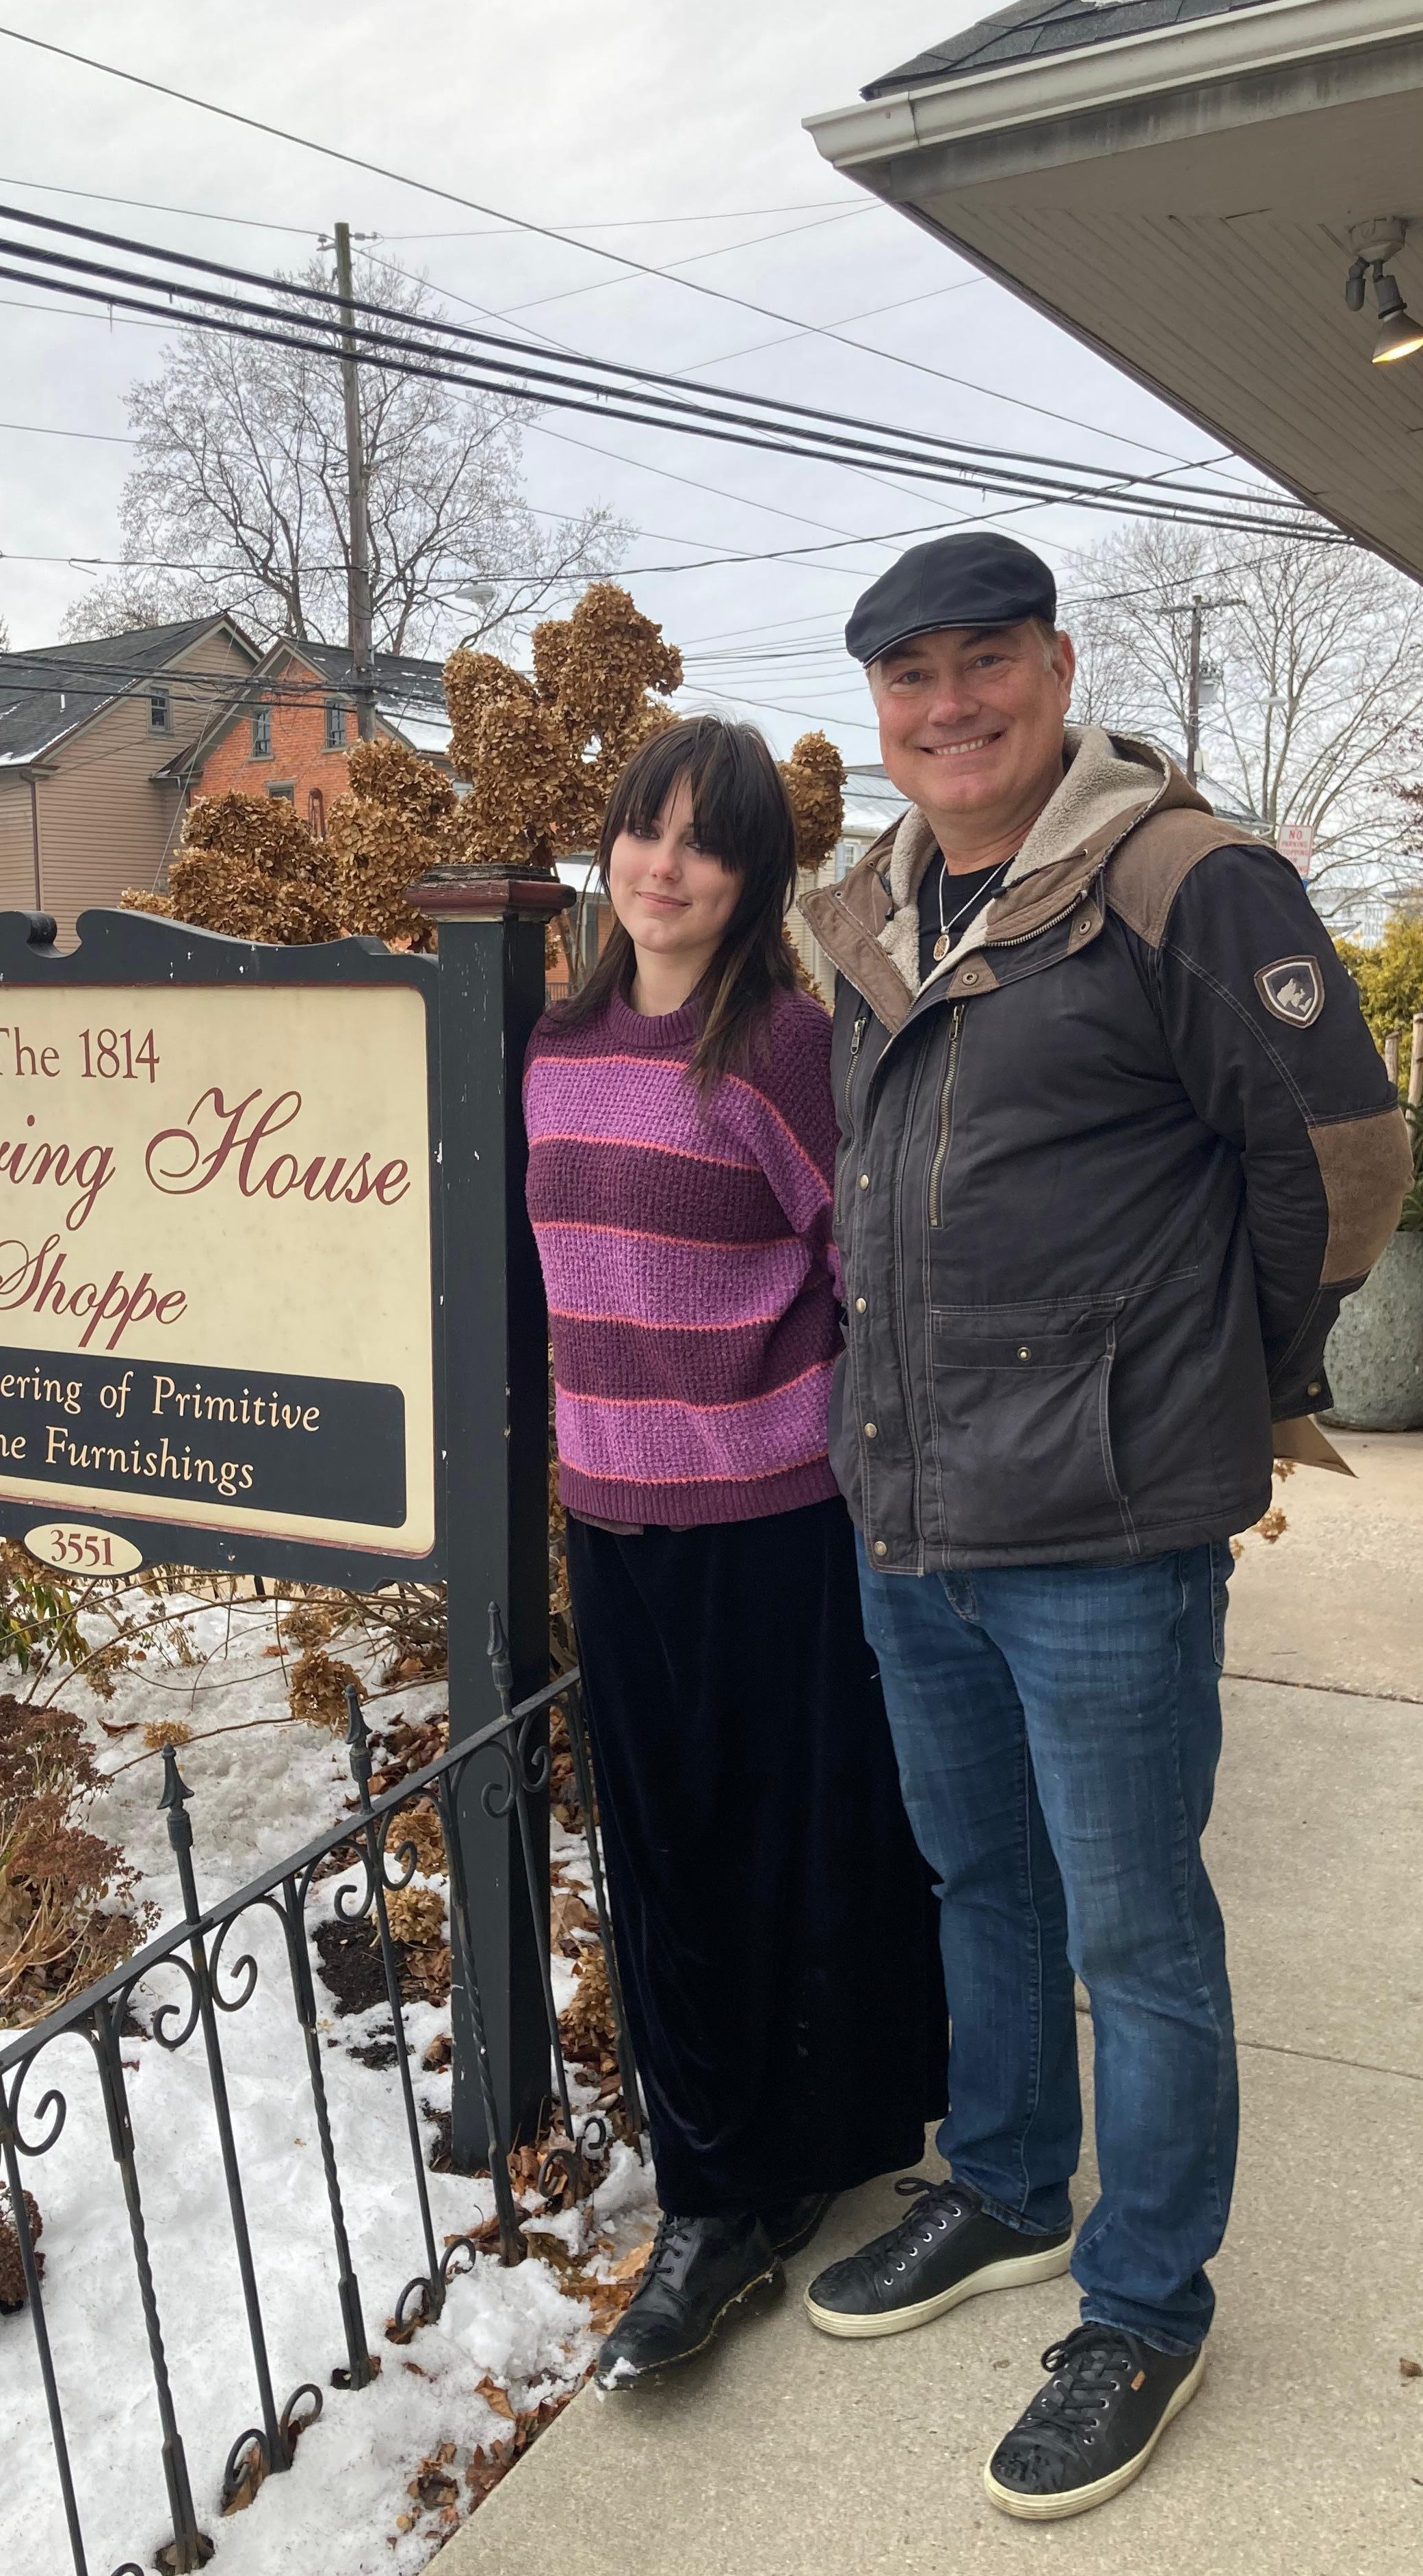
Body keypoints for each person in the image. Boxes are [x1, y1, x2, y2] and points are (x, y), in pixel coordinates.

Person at [796, 532, 1409, 2517]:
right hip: (913, 1508)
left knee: (1139, 1934)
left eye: (983, 663)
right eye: (909, 678)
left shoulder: (1181, 883)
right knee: (982, 1879)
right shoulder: (871, 906)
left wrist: (1228, 1375)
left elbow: (1342, 1158)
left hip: (1107, 1530)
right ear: (876, 706)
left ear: (1057, 671)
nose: (947, 707)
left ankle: (1143, 2302)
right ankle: (1004, 2186)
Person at [525, 713, 946, 2390]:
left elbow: (869, 1268)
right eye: (646, 828)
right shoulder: (556, 1046)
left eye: (706, 841)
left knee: (786, 1853)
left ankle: (726, 2206)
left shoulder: (778, 1048)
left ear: (759, 874)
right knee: (666, 1866)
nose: (665, 865)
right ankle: (738, 2169)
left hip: (772, 1524)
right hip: (610, 1515)